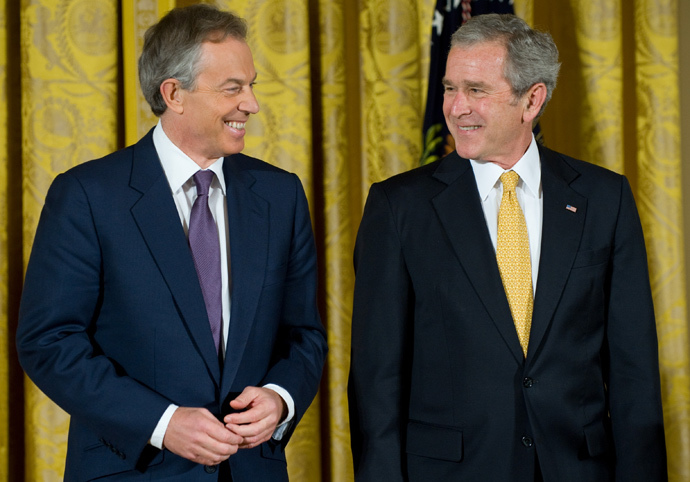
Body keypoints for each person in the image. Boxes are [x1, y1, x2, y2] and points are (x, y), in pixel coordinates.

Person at [348, 14, 666, 482]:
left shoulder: (604, 199)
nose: (455, 108)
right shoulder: (398, 207)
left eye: (476, 90)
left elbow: (634, 371)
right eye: (450, 88)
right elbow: (376, 382)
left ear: (531, 100)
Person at [16, 4, 327, 481]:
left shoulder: (280, 194)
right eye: (233, 88)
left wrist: (280, 399)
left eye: (251, 85)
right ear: (174, 94)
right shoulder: (87, 195)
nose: (252, 104)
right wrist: (161, 424)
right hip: (135, 468)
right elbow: (49, 341)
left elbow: (304, 334)